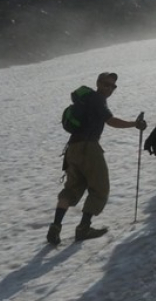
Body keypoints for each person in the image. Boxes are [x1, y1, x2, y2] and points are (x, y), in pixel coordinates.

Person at [48, 72, 147, 246]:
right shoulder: (97, 99)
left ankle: (55, 227)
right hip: (89, 148)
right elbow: (111, 121)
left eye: (113, 86)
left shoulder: (84, 100)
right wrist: (134, 124)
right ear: (98, 83)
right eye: (106, 84)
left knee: (71, 188)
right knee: (100, 187)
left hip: (72, 149)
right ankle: (84, 228)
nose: (109, 88)